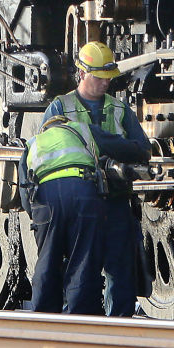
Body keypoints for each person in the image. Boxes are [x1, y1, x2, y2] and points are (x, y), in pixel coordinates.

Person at [41, 41, 153, 317]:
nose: (105, 84)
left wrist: (96, 141)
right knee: (82, 273)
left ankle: (119, 335)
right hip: (80, 204)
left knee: (121, 273)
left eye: (108, 79)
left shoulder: (119, 108)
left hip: (115, 200)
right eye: (99, 78)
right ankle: (84, 335)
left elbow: (143, 149)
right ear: (82, 74)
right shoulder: (59, 108)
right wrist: (109, 144)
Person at [25, 110, 109, 314]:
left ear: (45, 128)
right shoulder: (81, 131)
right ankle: (81, 315)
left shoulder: (33, 143)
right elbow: (117, 145)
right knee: (83, 257)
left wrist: (35, 216)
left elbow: (24, 187)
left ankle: (44, 316)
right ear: (67, 124)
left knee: (47, 259)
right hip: (83, 193)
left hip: (47, 200)